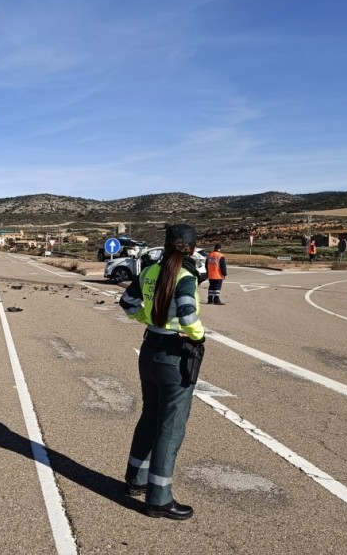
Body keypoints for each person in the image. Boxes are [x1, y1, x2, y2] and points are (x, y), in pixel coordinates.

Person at [119, 223, 206, 520]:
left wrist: (147, 317)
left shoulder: (149, 271)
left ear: (166, 245)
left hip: (149, 351)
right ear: (192, 248)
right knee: (171, 427)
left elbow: (127, 302)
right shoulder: (186, 275)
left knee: (149, 416)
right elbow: (187, 313)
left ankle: (136, 480)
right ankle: (159, 499)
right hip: (173, 355)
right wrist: (197, 335)